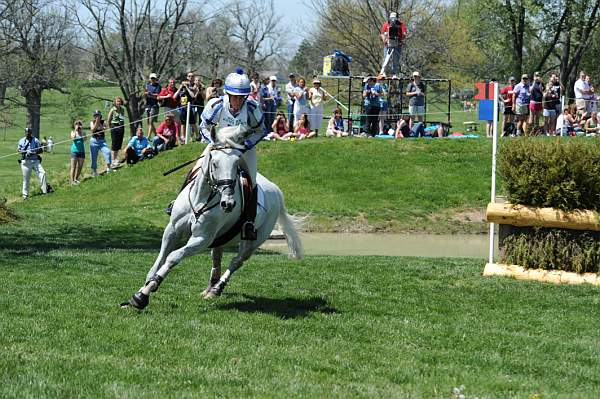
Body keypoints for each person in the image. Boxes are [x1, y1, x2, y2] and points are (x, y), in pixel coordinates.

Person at [198, 68, 267, 240]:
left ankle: (249, 222)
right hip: (219, 145)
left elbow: (261, 130)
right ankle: (178, 203)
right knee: (198, 167)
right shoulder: (216, 105)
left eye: (241, 97)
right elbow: (203, 126)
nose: (237, 100)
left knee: (251, 179)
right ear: (227, 94)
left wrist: (248, 145)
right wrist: (214, 143)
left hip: (243, 148)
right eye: (234, 96)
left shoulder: (252, 107)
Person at [17, 127, 47, 200]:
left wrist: (33, 152)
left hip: (35, 161)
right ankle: (25, 195)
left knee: (43, 173)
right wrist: (24, 151)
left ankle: (45, 191)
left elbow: (41, 150)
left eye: (29, 132)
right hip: (25, 162)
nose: (27, 134)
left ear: (31, 133)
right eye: (26, 132)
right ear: (25, 133)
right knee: (26, 179)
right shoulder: (21, 141)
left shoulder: (36, 140)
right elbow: (18, 150)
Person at [379, 11, 406, 79]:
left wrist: (401, 38)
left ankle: (394, 74)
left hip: (397, 44)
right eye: (391, 18)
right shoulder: (386, 24)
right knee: (386, 59)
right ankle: (383, 73)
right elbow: (382, 33)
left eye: (394, 18)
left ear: (396, 18)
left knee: (395, 60)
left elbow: (404, 34)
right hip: (388, 44)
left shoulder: (401, 24)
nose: (393, 20)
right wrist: (384, 39)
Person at [175, 72, 199, 143]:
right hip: (182, 107)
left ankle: (197, 136)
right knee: (183, 123)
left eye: (192, 76)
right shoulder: (182, 87)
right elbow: (175, 96)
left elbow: (193, 96)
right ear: (187, 77)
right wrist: (181, 88)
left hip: (190, 107)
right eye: (189, 76)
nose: (190, 77)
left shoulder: (194, 85)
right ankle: (183, 137)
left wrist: (187, 87)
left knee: (193, 123)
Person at [89, 110, 112, 176]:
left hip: (102, 141)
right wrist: (96, 122)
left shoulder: (103, 122)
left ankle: (108, 168)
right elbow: (92, 130)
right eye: (96, 115)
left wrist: (99, 123)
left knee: (107, 152)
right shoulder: (92, 122)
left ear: (100, 115)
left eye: (98, 115)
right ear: (94, 116)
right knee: (93, 156)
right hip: (94, 141)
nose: (97, 116)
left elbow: (104, 129)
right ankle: (94, 171)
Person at [107, 96, 126, 167]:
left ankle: (115, 159)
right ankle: (112, 160)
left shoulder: (122, 109)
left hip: (121, 127)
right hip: (114, 127)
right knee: (114, 143)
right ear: (115, 102)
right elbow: (109, 119)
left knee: (119, 143)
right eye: (117, 101)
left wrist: (122, 125)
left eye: (120, 101)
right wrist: (110, 128)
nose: (119, 102)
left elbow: (122, 118)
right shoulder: (112, 110)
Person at [144, 73, 161, 138]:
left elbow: (158, 95)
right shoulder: (147, 85)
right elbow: (145, 94)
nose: (153, 79)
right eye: (152, 78)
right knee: (149, 122)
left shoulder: (158, 86)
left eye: (154, 78)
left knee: (151, 121)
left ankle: (152, 136)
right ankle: (153, 136)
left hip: (154, 105)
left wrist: (150, 94)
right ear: (150, 79)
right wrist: (145, 94)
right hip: (148, 105)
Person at [69, 121, 85, 185]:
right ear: (75, 125)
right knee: (73, 167)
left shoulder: (83, 132)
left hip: (81, 151)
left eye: (79, 125)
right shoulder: (72, 132)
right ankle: (72, 181)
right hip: (74, 151)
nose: (78, 126)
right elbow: (73, 138)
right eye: (77, 125)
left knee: (80, 166)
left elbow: (85, 139)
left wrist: (81, 132)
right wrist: (76, 131)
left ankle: (76, 179)